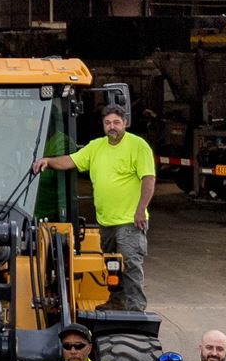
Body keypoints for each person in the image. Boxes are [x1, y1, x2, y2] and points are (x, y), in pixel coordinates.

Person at [29, 105, 156, 312]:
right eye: (108, 123)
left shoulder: (138, 146)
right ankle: (116, 301)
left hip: (130, 221)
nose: (112, 127)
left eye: (116, 122)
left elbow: (148, 179)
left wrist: (141, 210)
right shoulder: (96, 147)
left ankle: (135, 309)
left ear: (125, 123)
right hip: (106, 221)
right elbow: (70, 161)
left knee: (129, 264)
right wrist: (48, 161)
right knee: (111, 266)